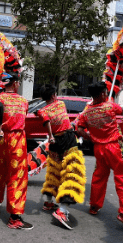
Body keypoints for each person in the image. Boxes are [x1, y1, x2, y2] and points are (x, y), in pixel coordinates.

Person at [76, 81, 123, 234]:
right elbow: (122, 113)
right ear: (103, 94)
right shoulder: (110, 106)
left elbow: (78, 129)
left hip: (99, 148)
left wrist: (90, 138)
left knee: (99, 177)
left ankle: (94, 205)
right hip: (115, 147)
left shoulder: (86, 112)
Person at [36, 84, 86, 230]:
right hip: (67, 139)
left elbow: (46, 121)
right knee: (73, 173)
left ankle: (49, 201)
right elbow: (49, 123)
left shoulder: (42, 110)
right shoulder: (60, 104)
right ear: (53, 96)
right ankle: (62, 210)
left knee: (54, 172)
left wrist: (50, 136)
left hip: (54, 143)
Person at [0, 76, 33, 230]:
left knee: (0, 170)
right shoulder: (23, 101)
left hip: (1, 138)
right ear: (15, 84)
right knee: (17, 175)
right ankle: (14, 217)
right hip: (17, 139)